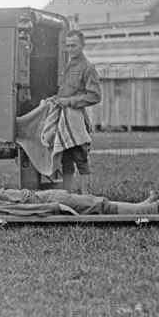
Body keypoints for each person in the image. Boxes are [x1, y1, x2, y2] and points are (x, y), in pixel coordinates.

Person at [45, 29, 101, 195]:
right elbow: (64, 94)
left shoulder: (88, 68)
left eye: (74, 46)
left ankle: (87, 198)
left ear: (82, 45)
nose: (70, 49)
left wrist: (70, 102)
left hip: (77, 123)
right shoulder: (69, 66)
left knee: (81, 159)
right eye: (68, 46)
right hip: (64, 123)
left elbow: (95, 96)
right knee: (66, 161)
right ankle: (67, 197)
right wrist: (54, 99)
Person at [0, 188, 159, 217]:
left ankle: (143, 205)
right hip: (48, 200)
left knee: (95, 201)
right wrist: (56, 207)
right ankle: (152, 209)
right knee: (99, 205)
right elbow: (22, 210)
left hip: (46, 195)